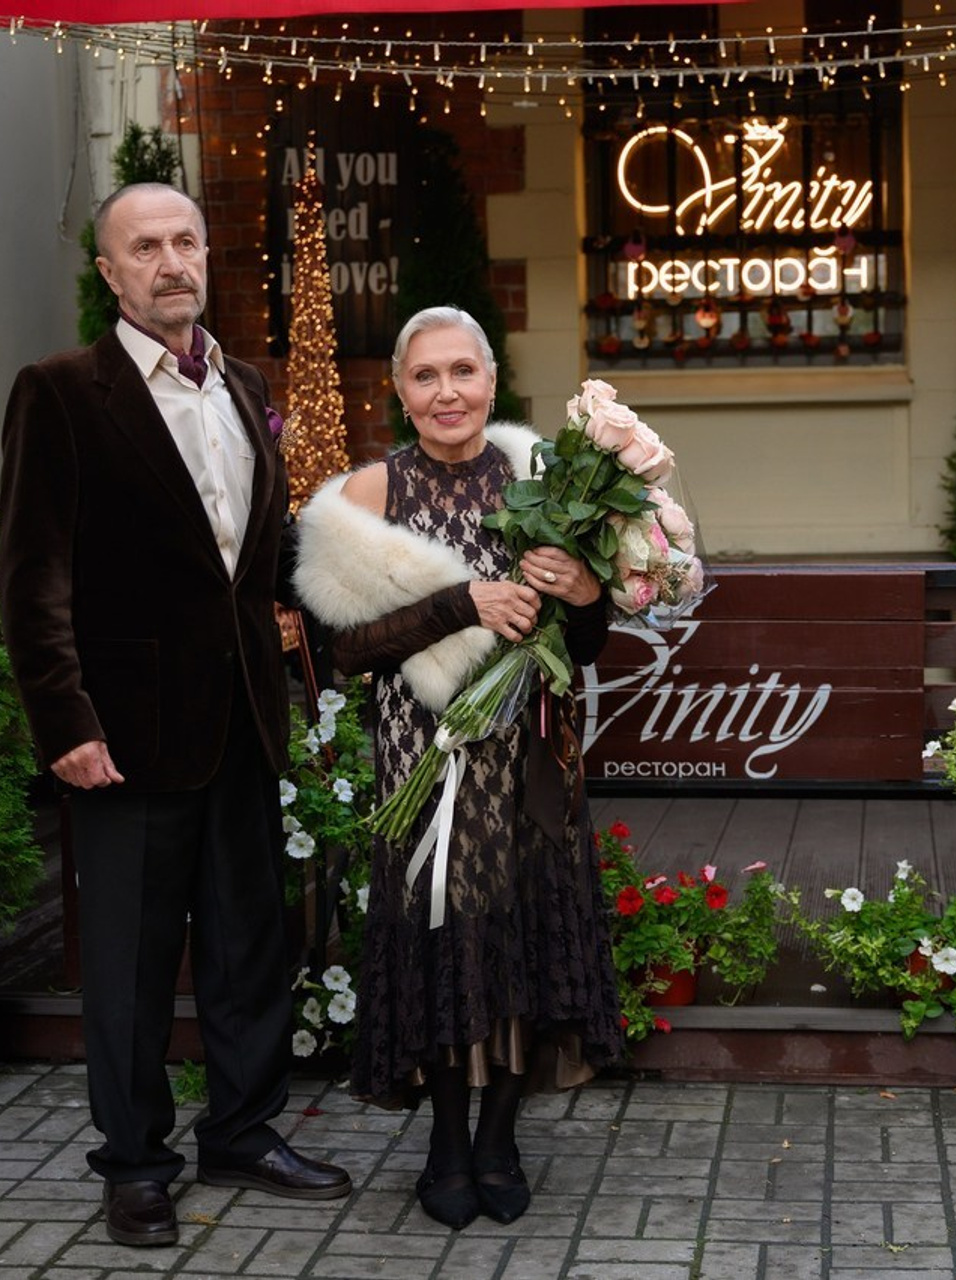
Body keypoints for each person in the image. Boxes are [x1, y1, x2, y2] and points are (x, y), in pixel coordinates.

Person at [0, 183, 351, 1248]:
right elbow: (31, 574)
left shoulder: (244, 383)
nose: (170, 261)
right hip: (125, 734)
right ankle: (136, 1161)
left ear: (207, 256)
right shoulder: (60, 390)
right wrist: (64, 721)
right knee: (129, 964)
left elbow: (260, 558)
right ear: (109, 272)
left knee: (251, 945)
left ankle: (242, 1128)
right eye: (143, 245)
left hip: (244, 715)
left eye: (185, 240)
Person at [292, 306, 623, 1230]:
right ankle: (444, 1139)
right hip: (423, 760)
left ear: (491, 380)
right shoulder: (365, 497)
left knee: (516, 932)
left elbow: (588, 640)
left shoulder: (544, 480)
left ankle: (500, 1138)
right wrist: (457, 604)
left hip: (529, 757)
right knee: (442, 934)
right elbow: (343, 650)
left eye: (463, 372)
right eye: (426, 376)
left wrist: (586, 590)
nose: (448, 393)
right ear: (399, 391)